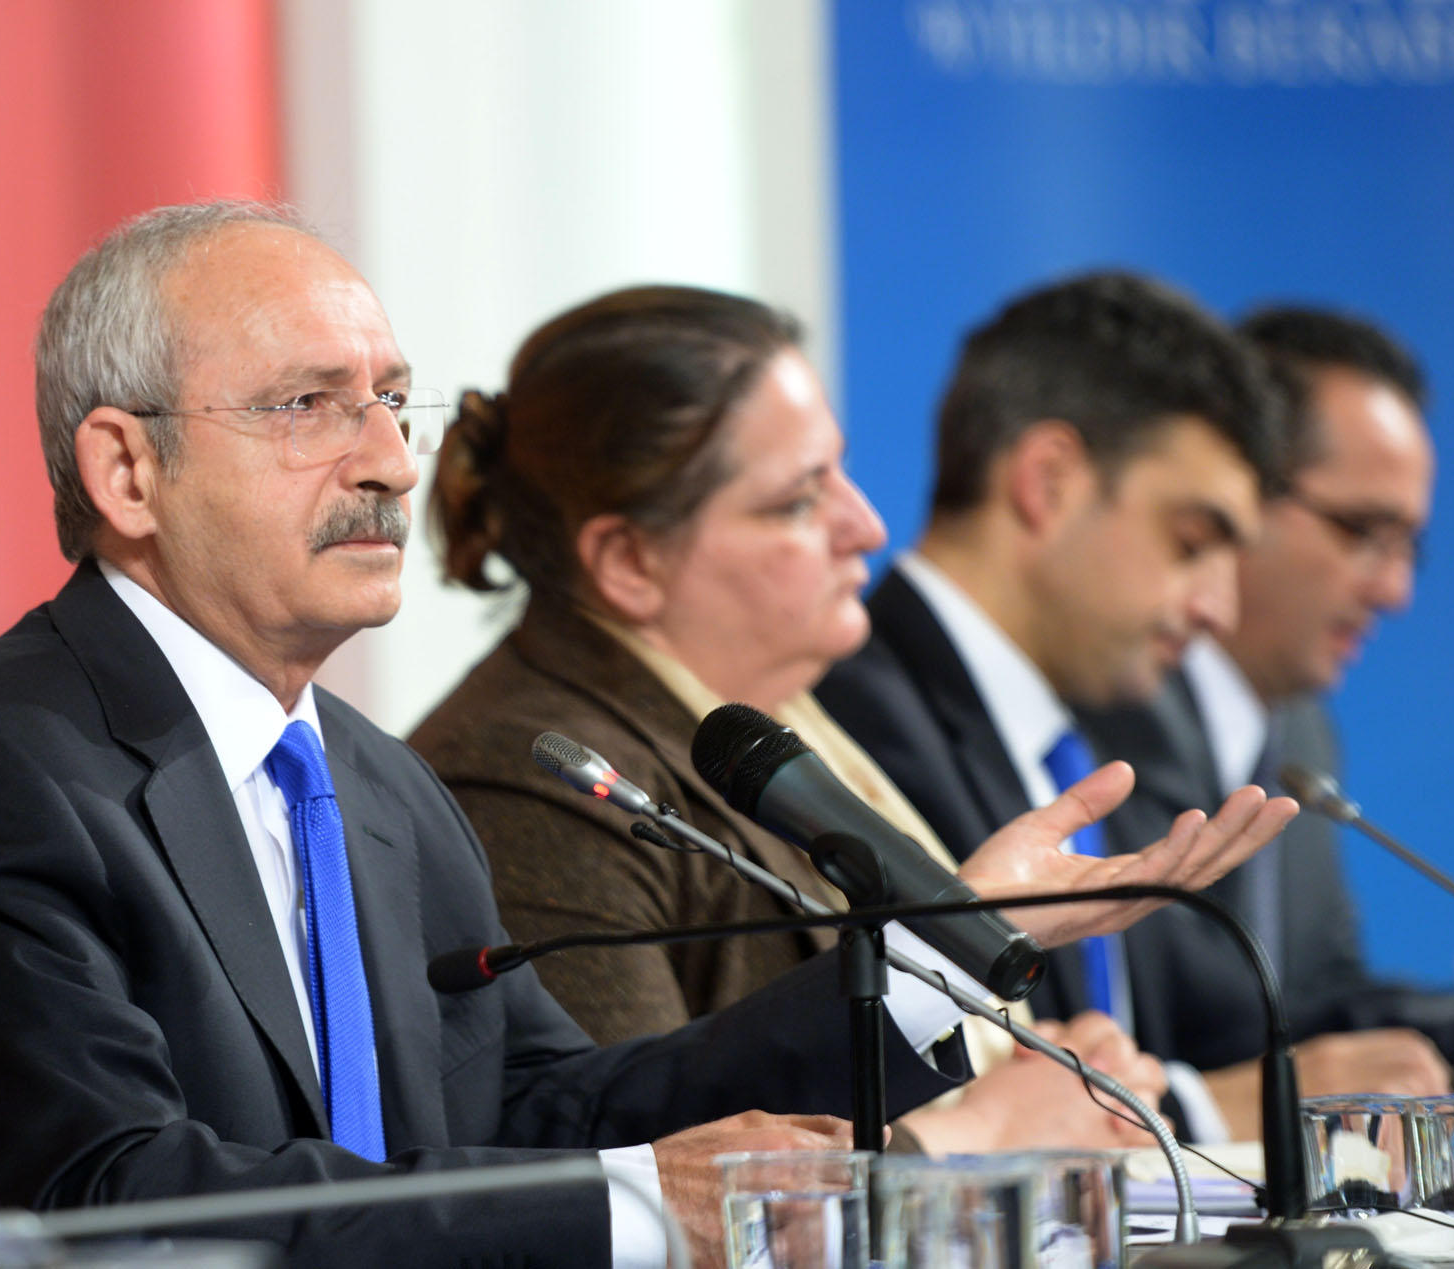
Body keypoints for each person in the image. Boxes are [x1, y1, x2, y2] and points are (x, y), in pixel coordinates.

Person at [0, 201, 1288, 1268]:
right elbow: (109, 1199)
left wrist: (940, 946)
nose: (390, 462)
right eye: (310, 406)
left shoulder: (373, 784)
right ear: (126, 470)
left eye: (393, 402)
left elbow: (536, 1104)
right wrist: (636, 1206)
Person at [407, 284, 1293, 1155]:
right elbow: (637, 1162)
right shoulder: (531, 775)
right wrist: (976, 1135)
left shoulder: (788, 724)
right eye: (798, 501)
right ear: (629, 560)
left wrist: (1042, 1064)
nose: (867, 525)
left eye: (840, 473)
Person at [1079, 305, 1454, 1125]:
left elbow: (1320, 1006)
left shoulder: (1298, 731)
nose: (1395, 590)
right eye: (1363, 532)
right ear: (1241, 491)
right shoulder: (1099, 709)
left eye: (1409, 546)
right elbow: (1212, 1031)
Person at [813, 271, 1299, 1140]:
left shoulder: (1100, 738)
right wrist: (1193, 1109)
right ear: (1048, 481)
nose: (1218, 610)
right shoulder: (855, 719)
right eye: (1191, 542)